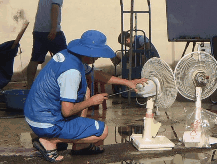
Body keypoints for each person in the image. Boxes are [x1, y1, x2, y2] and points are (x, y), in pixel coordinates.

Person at [24, 30, 147, 162]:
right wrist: (92, 101)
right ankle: (49, 141)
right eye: (96, 54)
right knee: (102, 131)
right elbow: (67, 111)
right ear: (88, 52)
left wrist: (128, 82)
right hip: (45, 121)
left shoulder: (70, 55)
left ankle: (78, 145)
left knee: (85, 90)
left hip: (35, 113)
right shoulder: (72, 72)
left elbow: (96, 75)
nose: (97, 58)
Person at [27, 0, 67, 88]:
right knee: (66, 58)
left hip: (38, 30)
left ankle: (29, 85)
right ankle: (64, 84)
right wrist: (53, 28)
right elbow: (55, 8)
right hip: (52, 31)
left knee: (35, 59)